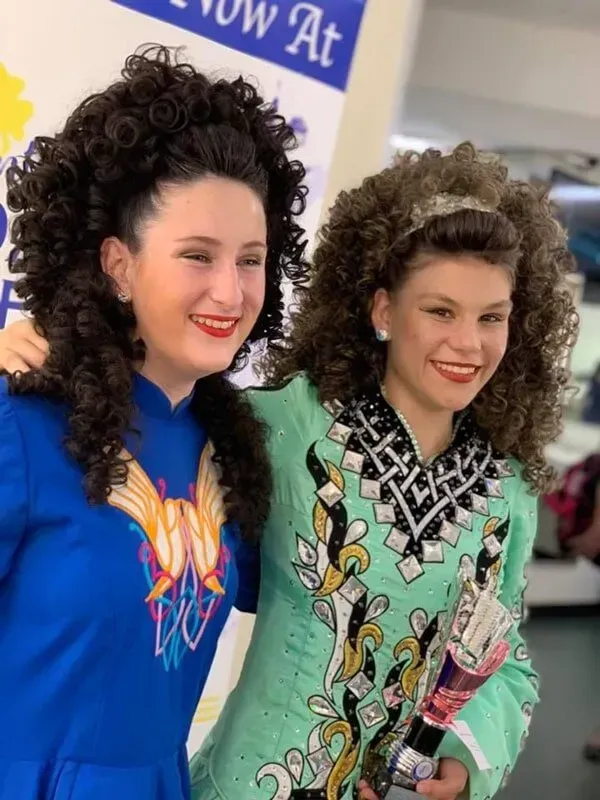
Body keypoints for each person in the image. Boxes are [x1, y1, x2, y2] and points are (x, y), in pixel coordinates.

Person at [0, 145, 577, 800]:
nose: (468, 344)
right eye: (439, 311)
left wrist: (466, 767)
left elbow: (503, 663)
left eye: (491, 318)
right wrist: (37, 351)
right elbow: (144, 418)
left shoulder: (509, 495)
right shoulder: (274, 431)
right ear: (384, 312)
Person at [0, 45, 308, 799]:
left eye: (251, 260)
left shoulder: (235, 450)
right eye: (197, 255)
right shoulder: (23, 424)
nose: (230, 292)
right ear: (118, 263)